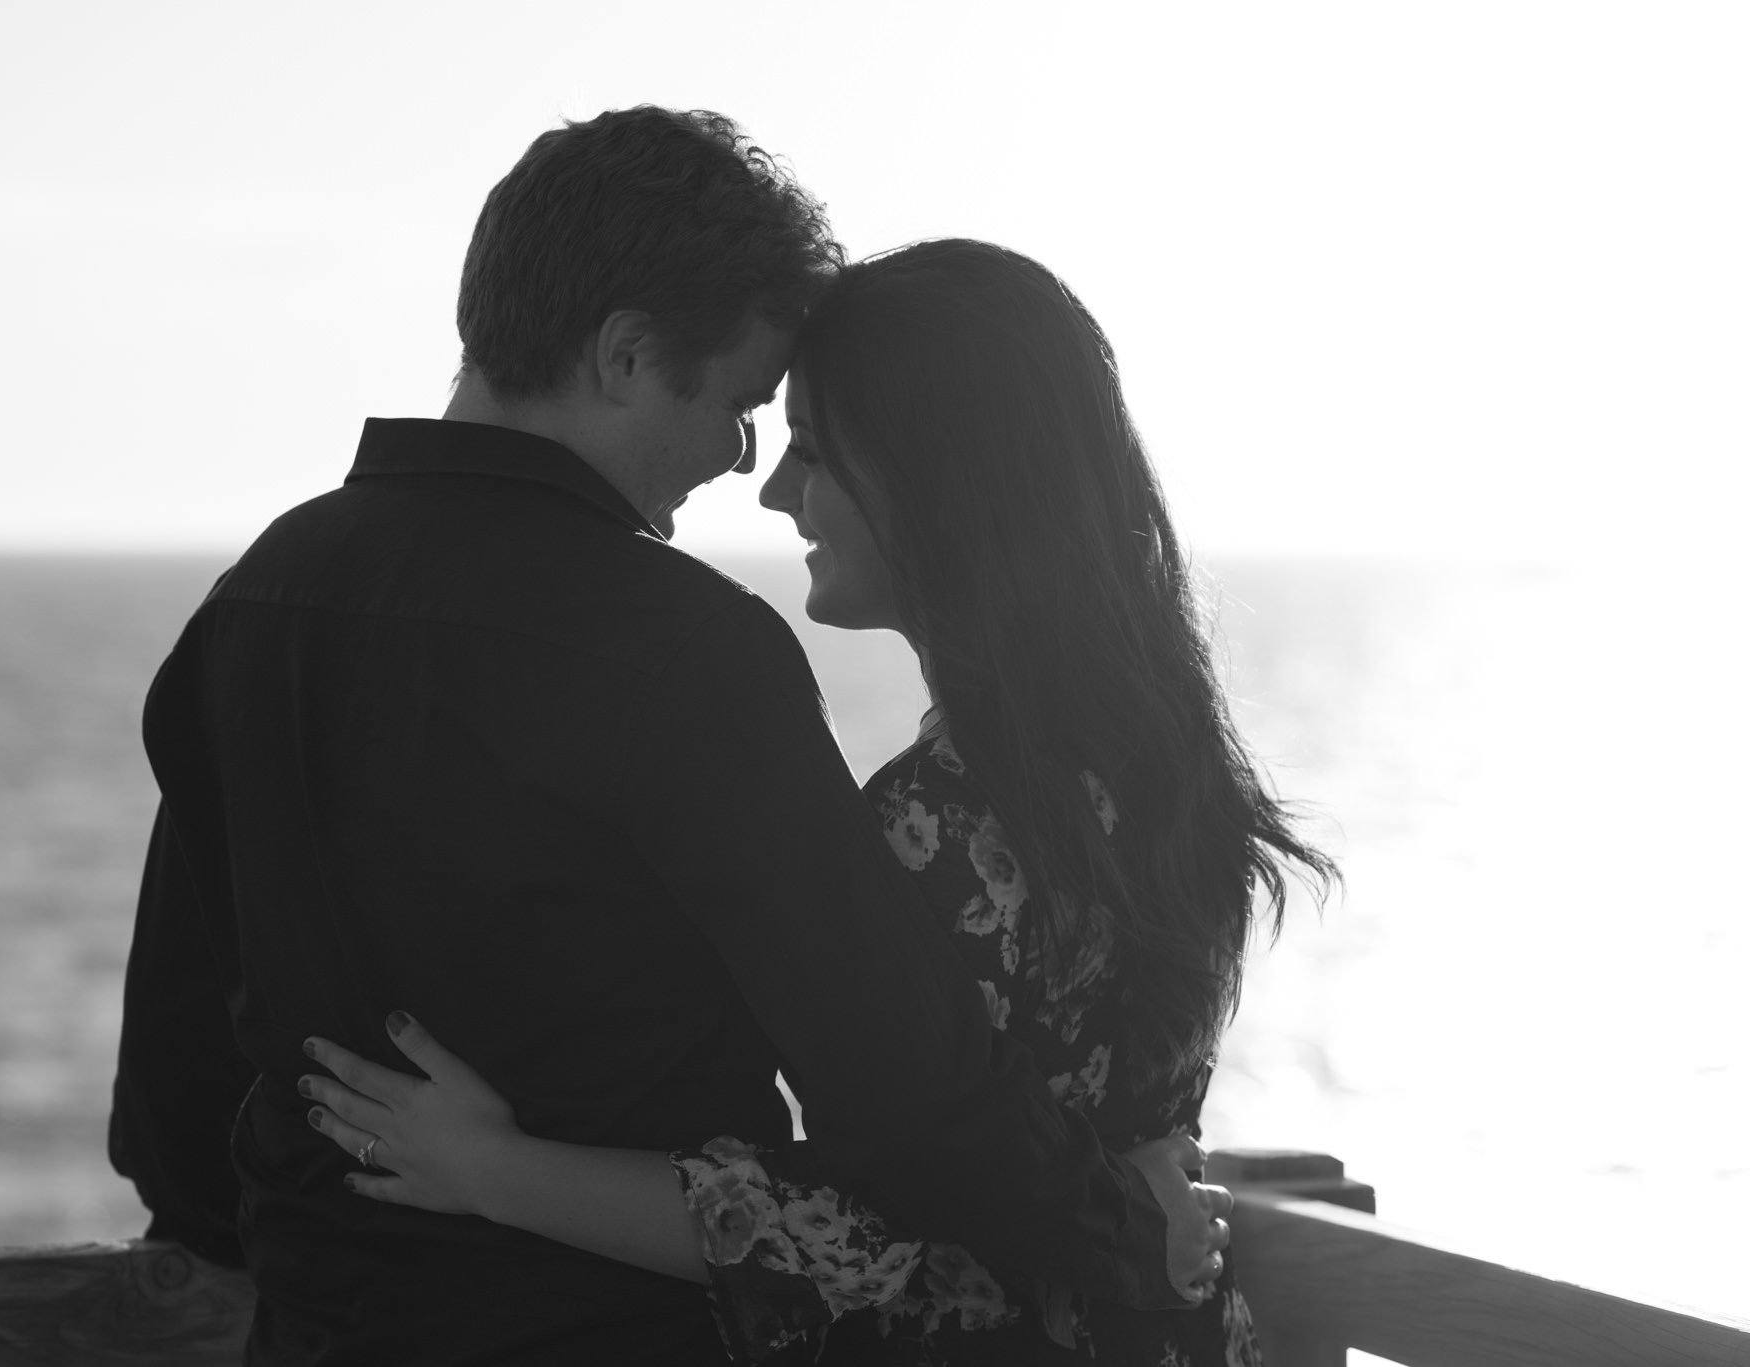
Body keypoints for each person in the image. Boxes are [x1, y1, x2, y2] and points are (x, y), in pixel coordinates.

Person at [108, 110, 1228, 1365]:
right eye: (742, 403)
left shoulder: (251, 608)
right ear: (627, 355)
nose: (739, 460)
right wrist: (1118, 1221)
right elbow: (908, 1100)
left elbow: (175, 1093)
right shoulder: (683, 650)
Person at [295, 239, 1339, 1364]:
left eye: (812, 450)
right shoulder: (1159, 770)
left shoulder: (943, 822)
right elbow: (1096, 1147)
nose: (778, 488)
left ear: (932, 481)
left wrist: (494, 1171)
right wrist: (1138, 1208)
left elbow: (882, 1230)